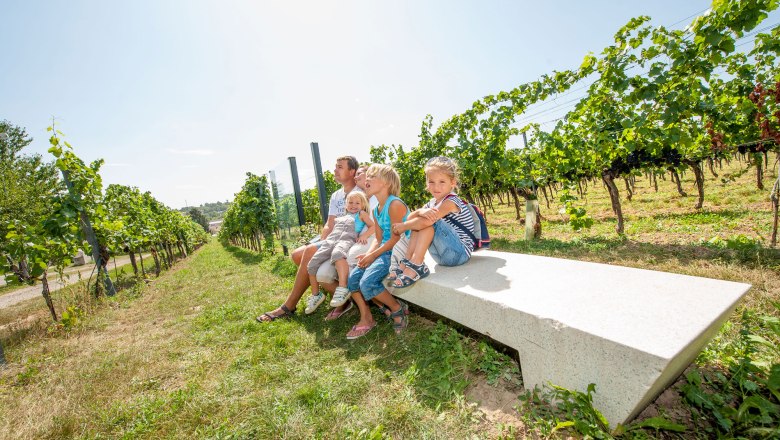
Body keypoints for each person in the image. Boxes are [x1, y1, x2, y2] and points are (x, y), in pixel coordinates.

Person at [256, 156, 359, 322]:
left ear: (352, 171)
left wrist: (321, 246)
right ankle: (336, 294)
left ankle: (289, 306)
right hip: (332, 237)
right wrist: (320, 242)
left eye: (340, 167)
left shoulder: (359, 193)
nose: (335, 170)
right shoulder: (336, 195)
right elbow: (329, 223)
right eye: (335, 166)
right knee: (297, 254)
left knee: (309, 253)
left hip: (345, 239)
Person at [345, 164, 410, 339]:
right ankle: (384, 307)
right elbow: (379, 240)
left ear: (386, 182)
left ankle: (397, 309)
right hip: (384, 248)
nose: (367, 179)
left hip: (397, 251)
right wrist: (368, 254)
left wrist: (373, 255)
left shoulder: (394, 204)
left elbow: (396, 239)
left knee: (367, 283)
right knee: (353, 280)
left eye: (372, 176)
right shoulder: (375, 210)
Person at [390, 156, 474, 287]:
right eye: (431, 182)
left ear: (453, 183)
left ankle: (416, 264)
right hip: (440, 256)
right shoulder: (431, 203)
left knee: (430, 220)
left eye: (442, 182)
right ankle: (407, 261)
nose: (436, 187)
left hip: (459, 254)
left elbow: (412, 222)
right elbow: (410, 218)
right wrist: (420, 211)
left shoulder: (452, 201)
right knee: (421, 221)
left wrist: (403, 226)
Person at [304, 191, 374, 313]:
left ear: (363, 205)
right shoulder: (341, 217)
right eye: (350, 202)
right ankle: (316, 295)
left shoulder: (361, 214)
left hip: (346, 240)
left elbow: (373, 226)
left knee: (338, 254)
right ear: (346, 205)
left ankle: (342, 288)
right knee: (312, 263)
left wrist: (365, 235)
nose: (353, 205)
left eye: (357, 203)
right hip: (331, 240)